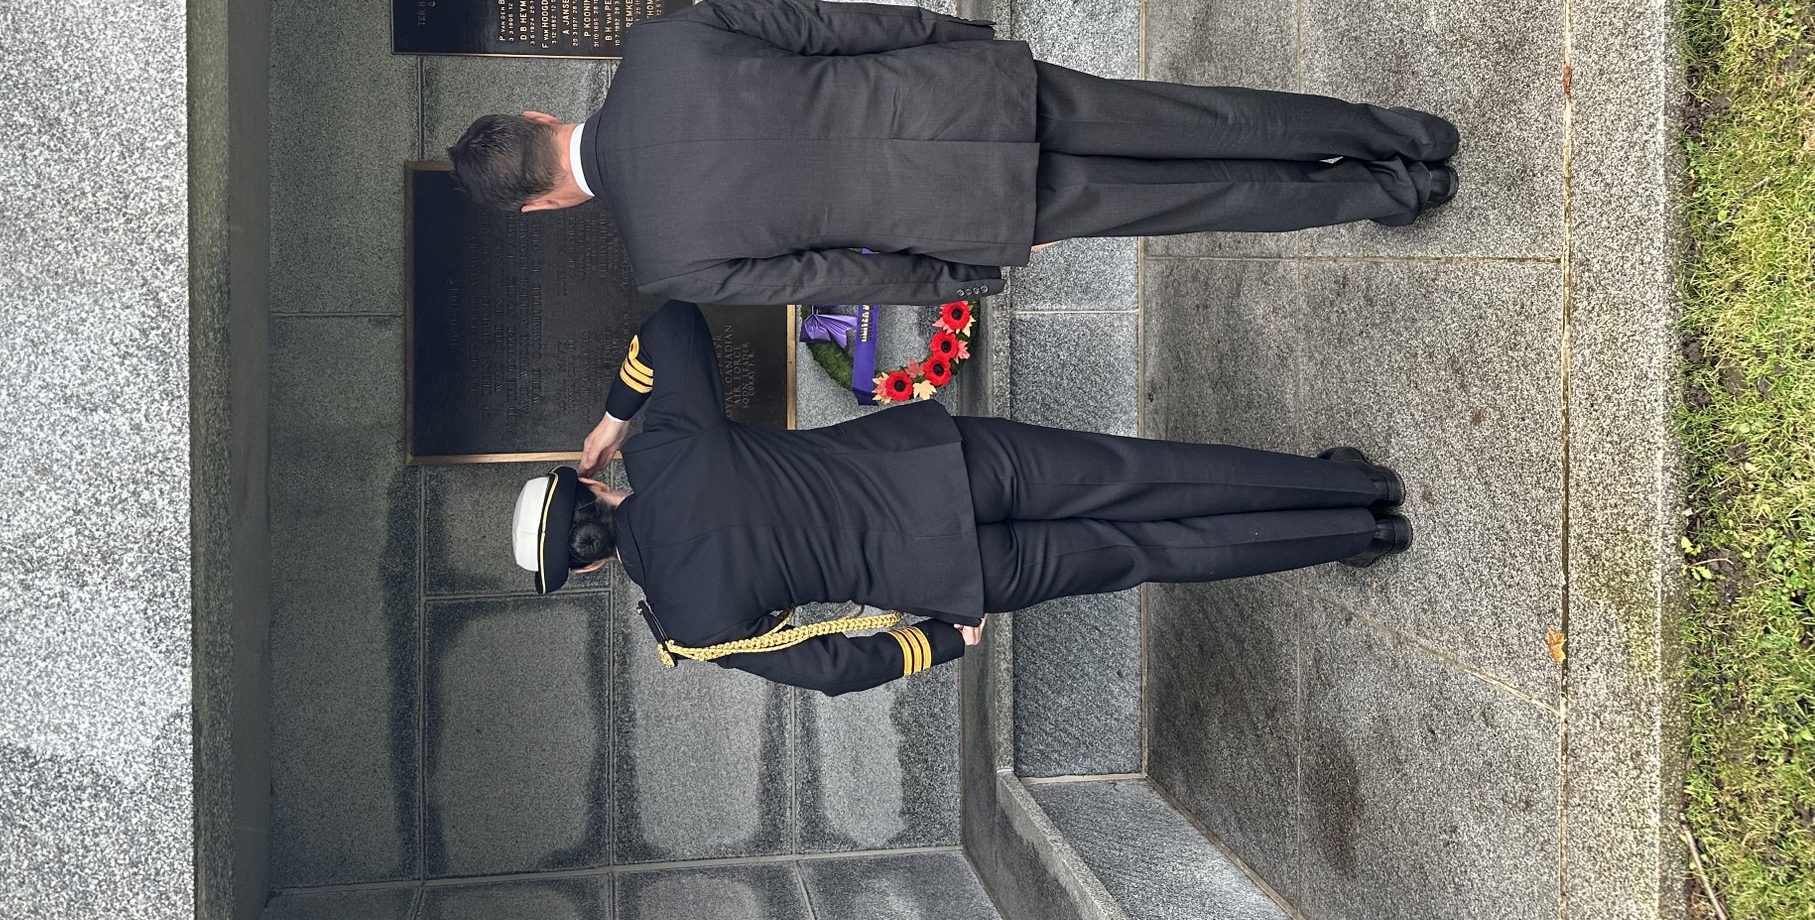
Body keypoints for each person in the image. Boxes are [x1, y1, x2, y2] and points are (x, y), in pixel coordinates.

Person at [508, 300, 1413, 696]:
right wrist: (616, 416)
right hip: (939, 466)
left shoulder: (689, 628)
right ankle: (1354, 483)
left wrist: (936, 642)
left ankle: (1352, 535)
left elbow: (827, 670)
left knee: (1154, 551)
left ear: (586, 567)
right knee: (1145, 473)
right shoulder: (666, 450)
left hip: (950, 569)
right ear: (589, 482)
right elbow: (670, 323)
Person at [450, 0, 1459, 307]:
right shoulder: (659, 44)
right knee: (1192, 119)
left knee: (1196, 201)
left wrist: (962, 275)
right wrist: (953, 34)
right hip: (954, 89)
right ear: (539, 118)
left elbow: (836, 273)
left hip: (959, 208)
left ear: (541, 206)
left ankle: (1386, 192)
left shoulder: (668, 267)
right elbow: (825, 27)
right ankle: (1400, 134)